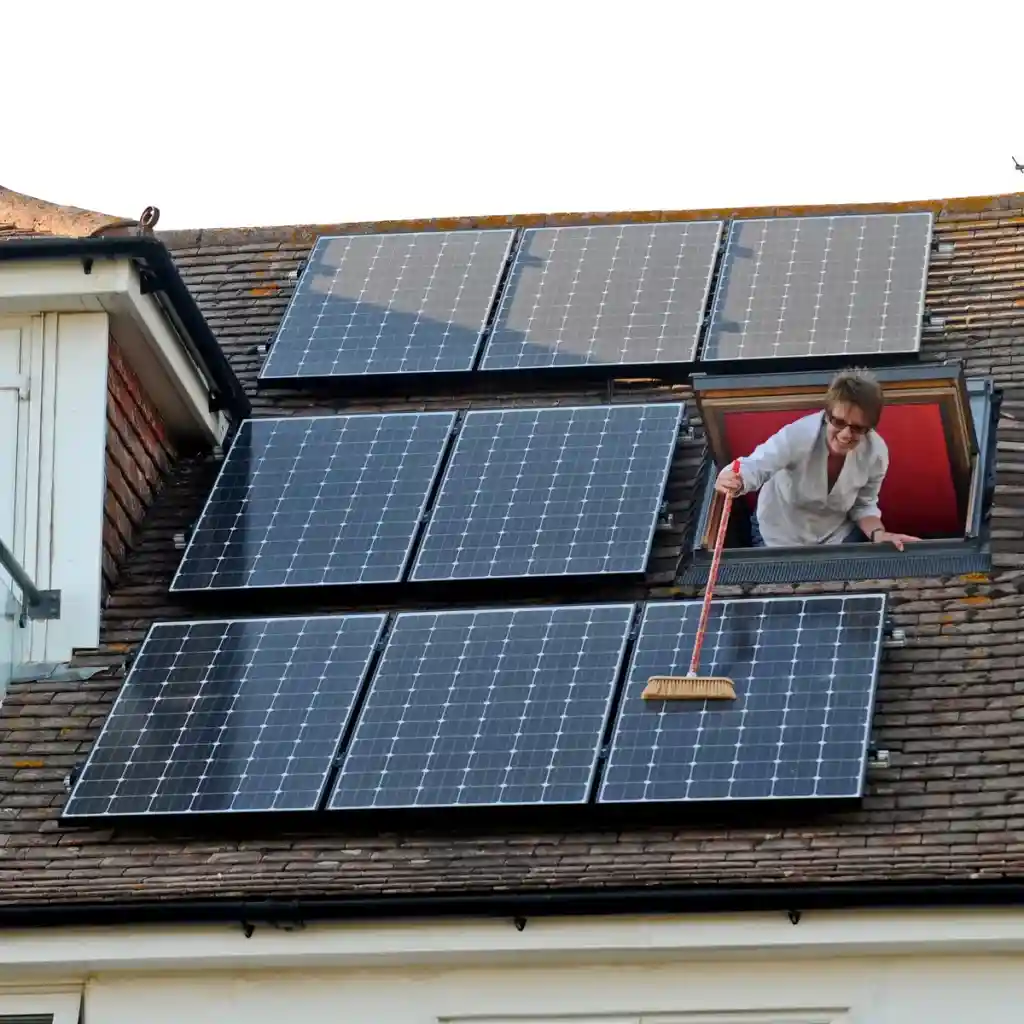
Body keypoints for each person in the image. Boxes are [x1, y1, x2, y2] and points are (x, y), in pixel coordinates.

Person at [714, 367, 919, 550]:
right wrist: (735, 478)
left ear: (870, 428)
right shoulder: (797, 435)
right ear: (827, 414)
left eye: (857, 427)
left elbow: (864, 505)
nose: (846, 434)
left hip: (836, 536)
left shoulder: (876, 452)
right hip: (778, 534)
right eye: (838, 422)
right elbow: (758, 464)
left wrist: (878, 535)